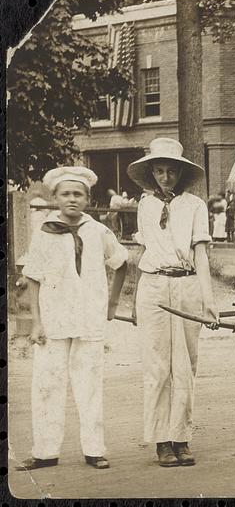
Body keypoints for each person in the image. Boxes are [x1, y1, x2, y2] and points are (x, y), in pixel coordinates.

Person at [16, 166, 128, 471]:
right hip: (53, 321)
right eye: (66, 194)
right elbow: (33, 279)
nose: (72, 199)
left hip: (89, 319)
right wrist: (37, 321)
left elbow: (121, 263)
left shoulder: (99, 232)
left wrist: (112, 304)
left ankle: (94, 449)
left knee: (89, 384)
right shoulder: (45, 232)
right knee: (47, 384)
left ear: (88, 198)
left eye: (78, 194)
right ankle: (45, 451)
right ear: (56, 197)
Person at [127, 137, 218, 467]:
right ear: (151, 172)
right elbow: (145, 252)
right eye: (159, 171)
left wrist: (208, 300)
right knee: (157, 367)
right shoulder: (145, 206)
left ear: (181, 174)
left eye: (172, 172)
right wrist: (137, 299)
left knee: (185, 366)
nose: (165, 178)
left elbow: (201, 254)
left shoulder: (195, 206)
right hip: (153, 287)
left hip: (186, 286)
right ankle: (161, 440)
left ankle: (181, 437)